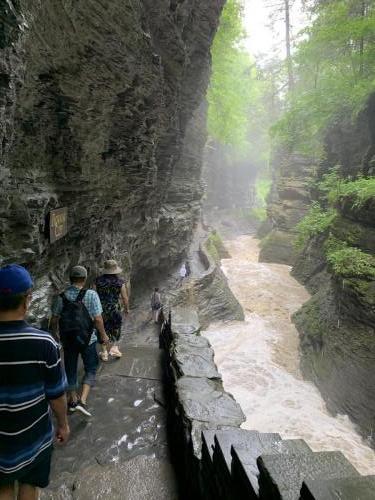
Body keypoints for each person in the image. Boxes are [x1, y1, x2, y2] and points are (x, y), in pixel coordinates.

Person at [0, 264, 69, 500]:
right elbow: (56, 394)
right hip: (34, 435)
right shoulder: (44, 342)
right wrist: (63, 424)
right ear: (27, 300)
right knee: (29, 483)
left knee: (3, 487)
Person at [50, 265, 109, 418]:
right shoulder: (91, 295)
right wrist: (103, 335)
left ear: (70, 279)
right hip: (88, 339)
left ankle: (73, 400)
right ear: (84, 279)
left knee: (70, 369)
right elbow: (97, 319)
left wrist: (56, 336)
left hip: (68, 341)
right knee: (91, 367)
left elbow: (54, 320)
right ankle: (82, 400)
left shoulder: (60, 297)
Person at [94, 259, 129, 361]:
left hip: (101, 309)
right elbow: (125, 298)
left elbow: (94, 296)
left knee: (102, 328)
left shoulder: (97, 281)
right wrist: (127, 309)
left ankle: (104, 352)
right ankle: (114, 348)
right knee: (116, 327)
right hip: (115, 309)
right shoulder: (120, 282)